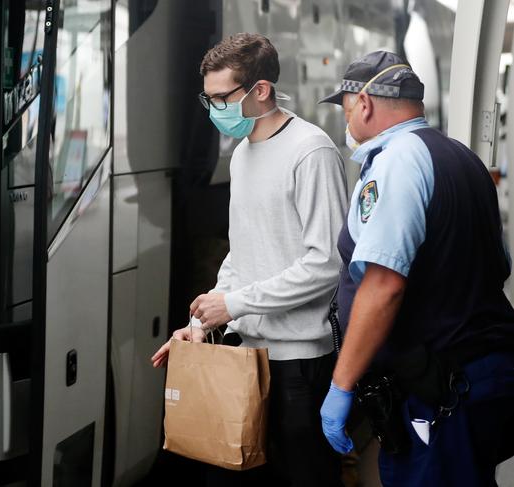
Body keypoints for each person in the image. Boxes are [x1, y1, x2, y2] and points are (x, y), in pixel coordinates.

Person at [151, 33, 347, 486]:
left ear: (261, 90)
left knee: (306, 476)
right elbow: (242, 252)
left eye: (222, 97)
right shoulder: (241, 155)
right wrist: (205, 319)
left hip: (298, 362)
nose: (214, 108)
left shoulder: (310, 151)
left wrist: (235, 305)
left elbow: (326, 265)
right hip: (246, 354)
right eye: (208, 98)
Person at [319, 50, 514, 486]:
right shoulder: (462, 158)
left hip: (444, 387)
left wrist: (342, 385)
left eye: (346, 109)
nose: (347, 122)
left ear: (364, 104)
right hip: (483, 372)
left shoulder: (397, 162)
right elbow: (499, 264)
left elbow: (384, 284)